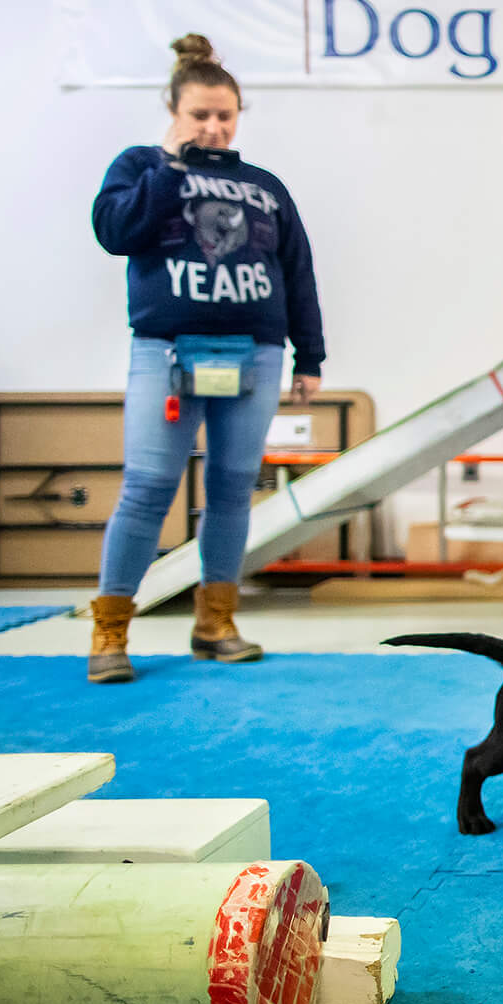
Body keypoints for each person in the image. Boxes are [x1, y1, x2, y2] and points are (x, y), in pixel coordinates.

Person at [85, 35, 327, 684]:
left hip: (255, 356)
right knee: (148, 488)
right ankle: (110, 633)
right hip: (165, 353)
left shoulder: (264, 187)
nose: (214, 127)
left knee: (229, 491)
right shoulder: (140, 168)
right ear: (173, 110)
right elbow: (115, 233)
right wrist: (169, 166)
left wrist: (311, 357)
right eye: (199, 115)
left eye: (225, 115)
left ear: (239, 113)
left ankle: (215, 623)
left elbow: (297, 272)